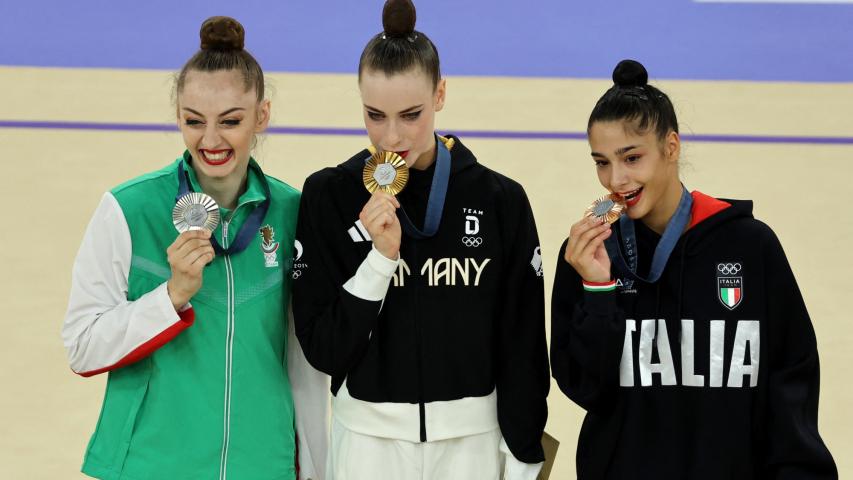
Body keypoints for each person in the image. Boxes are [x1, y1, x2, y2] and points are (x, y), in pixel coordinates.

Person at [291, 0, 549, 478]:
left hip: (472, 444)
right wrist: (378, 261)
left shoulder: (500, 200)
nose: (392, 136)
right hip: (367, 444)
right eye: (374, 115)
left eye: (411, 114)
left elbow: (523, 342)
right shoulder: (328, 195)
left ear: (441, 94)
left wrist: (524, 451)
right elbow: (324, 350)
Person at [62, 16, 327, 480]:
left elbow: (304, 367)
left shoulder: (291, 213)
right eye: (193, 121)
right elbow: (83, 347)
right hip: (151, 464)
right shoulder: (128, 210)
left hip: (262, 464)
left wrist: (315, 468)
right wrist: (170, 297)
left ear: (261, 116)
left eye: (230, 122)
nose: (210, 141)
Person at [550, 59, 837, 479]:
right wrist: (597, 291)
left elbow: (790, 380)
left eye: (631, 157)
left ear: (671, 147)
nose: (616, 179)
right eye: (601, 161)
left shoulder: (749, 245)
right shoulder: (589, 255)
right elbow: (586, 389)